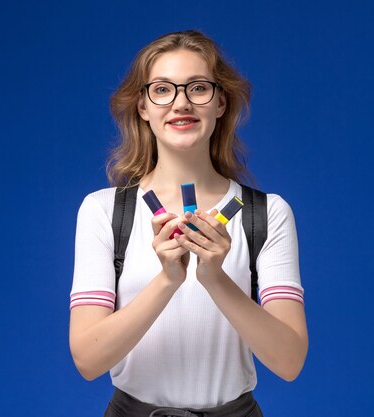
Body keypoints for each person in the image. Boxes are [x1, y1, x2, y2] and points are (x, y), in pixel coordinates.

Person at [69, 30, 308, 416]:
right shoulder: (104, 211)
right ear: (143, 107)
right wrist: (168, 279)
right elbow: (87, 359)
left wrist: (214, 277)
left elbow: (289, 361)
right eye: (162, 90)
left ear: (220, 103)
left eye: (198, 88)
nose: (181, 103)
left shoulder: (266, 213)